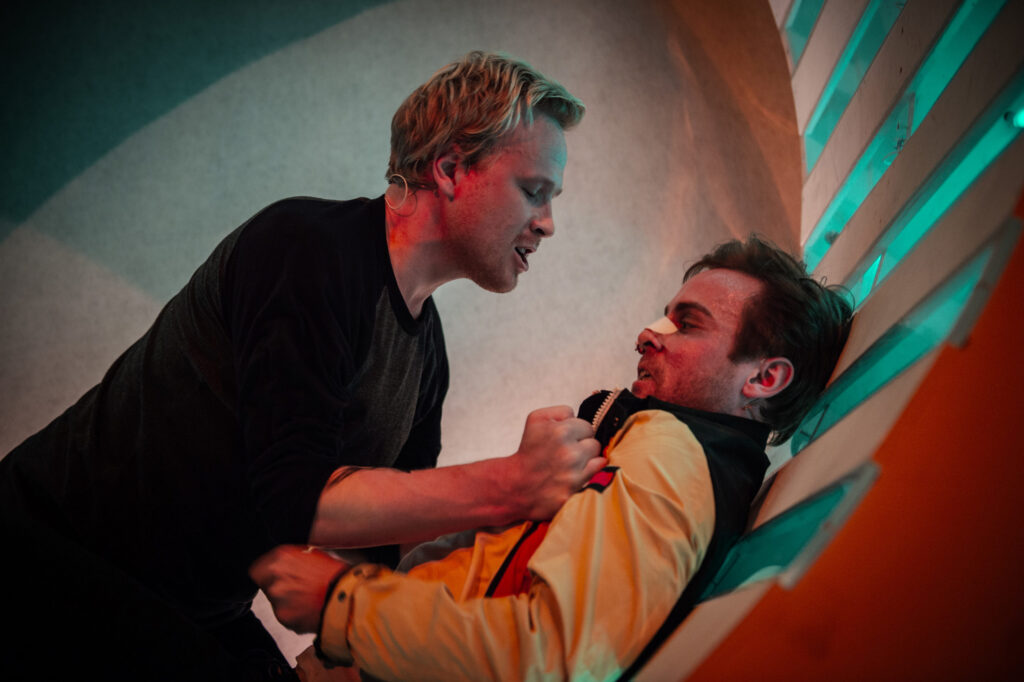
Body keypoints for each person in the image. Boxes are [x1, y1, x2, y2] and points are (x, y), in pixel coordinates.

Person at [0, 52, 603, 680]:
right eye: (534, 191)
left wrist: (541, 534)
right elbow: (296, 497)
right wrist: (512, 482)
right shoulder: (306, 248)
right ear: (451, 169)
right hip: (58, 551)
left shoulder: (427, 356)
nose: (547, 224)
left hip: (197, 602)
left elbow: (386, 544)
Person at [251, 236, 855, 681]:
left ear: (764, 378)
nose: (648, 334)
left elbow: (554, 658)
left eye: (687, 324)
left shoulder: (673, 454)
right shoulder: (656, 447)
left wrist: (343, 603)